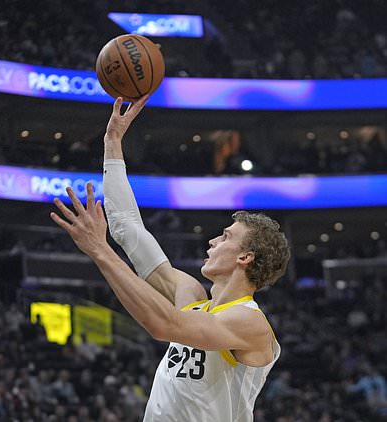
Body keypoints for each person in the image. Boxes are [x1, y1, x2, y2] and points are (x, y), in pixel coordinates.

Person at [50, 96, 291, 421]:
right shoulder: (190, 296)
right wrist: (112, 143)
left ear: (245, 257)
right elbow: (128, 229)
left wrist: (99, 250)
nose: (213, 240)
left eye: (226, 237)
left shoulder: (250, 322)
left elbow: (163, 324)